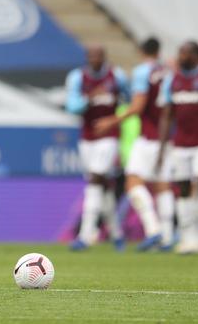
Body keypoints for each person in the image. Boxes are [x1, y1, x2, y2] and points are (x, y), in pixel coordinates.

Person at [95, 38, 173, 251]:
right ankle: (167, 237)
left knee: (133, 182)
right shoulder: (168, 71)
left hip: (148, 136)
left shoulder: (142, 72)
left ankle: (153, 229)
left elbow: (138, 107)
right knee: (163, 185)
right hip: (167, 137)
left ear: (141, 51)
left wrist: (111, 120)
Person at [156, 41, 198, 254]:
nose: (182, 56)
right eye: (180, 52)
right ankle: (190, 239)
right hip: (181, 144)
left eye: (186, 53)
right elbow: (167, 117)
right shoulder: (172, 80)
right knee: (183, 188)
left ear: (197, 56)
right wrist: (162, 148)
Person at [66, 45, 128, 251]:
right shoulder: (77, 77)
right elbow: (72, 106)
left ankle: (86, 234)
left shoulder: (116, 76)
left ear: (104, 57)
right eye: (90, 56)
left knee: (95, 178)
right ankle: (117, 233)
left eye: (98, 56)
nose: (94, 59)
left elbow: (128, 98)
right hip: (87, 138)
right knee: (102, 184)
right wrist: (89, 99)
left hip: (109, 136)